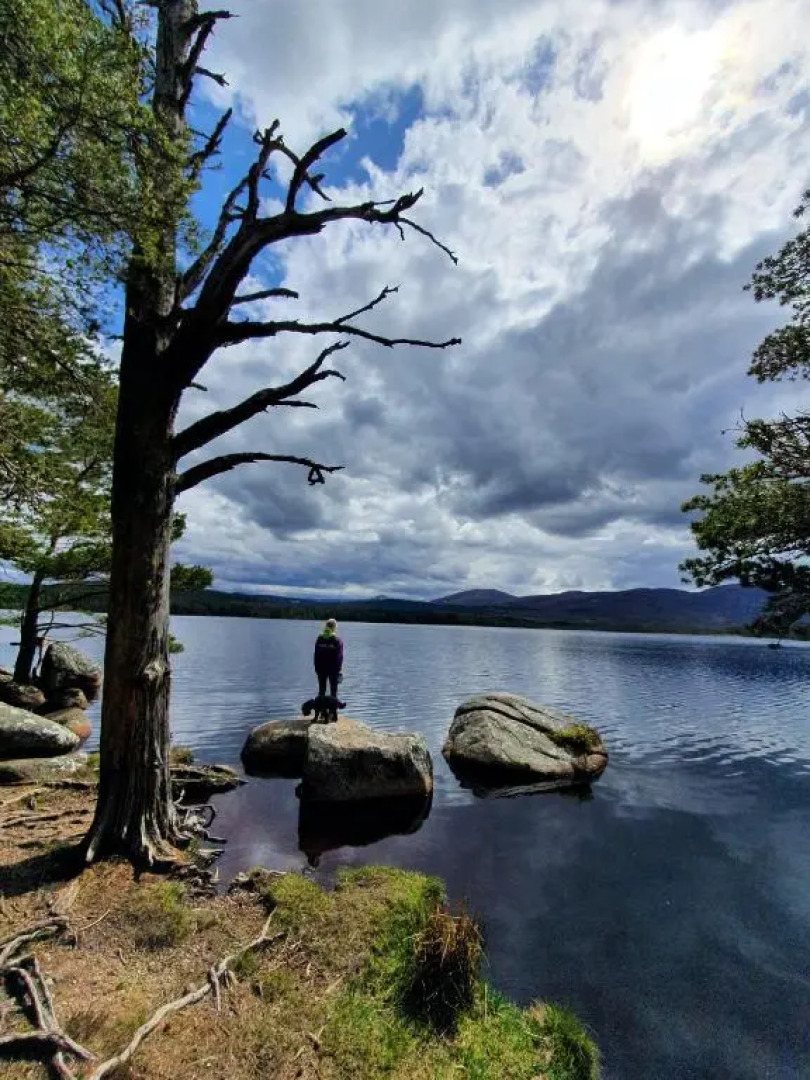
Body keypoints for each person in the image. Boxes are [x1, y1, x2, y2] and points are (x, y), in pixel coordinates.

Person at [313, 618, 343, 698]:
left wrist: (316, 668)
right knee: (333, 690)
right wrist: (339, 669)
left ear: (326, 626)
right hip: (333, 669)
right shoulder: (337, 640)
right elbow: (339, 657)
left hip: (320, 668)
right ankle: (333, 709)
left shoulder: (319, 639)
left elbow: (316, 655)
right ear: (334, 628)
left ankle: (320, 708)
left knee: (321, 690)